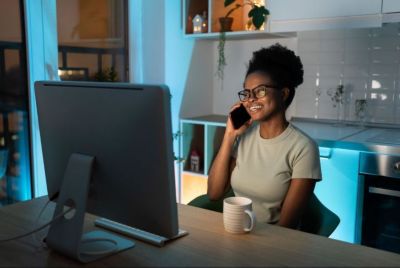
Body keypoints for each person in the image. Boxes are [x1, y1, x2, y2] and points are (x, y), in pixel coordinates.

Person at [207, 43, 322, 229]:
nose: (250, 99)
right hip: (237, 232)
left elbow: (287, 226)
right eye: (246, 92)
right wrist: (229, 136)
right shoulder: (244, 137)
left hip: (274, 245)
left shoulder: (304, 148)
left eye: (260, 91)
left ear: (283, 94)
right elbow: (214, 193)